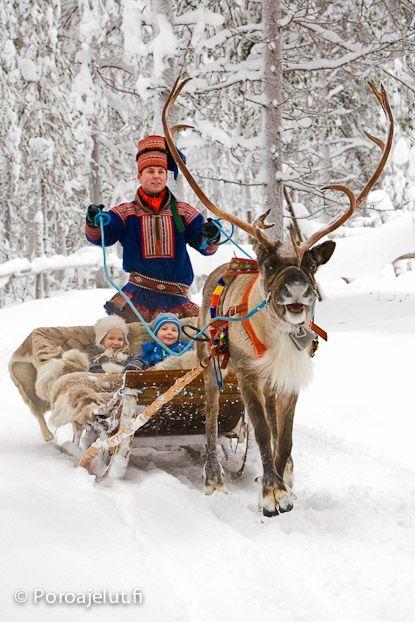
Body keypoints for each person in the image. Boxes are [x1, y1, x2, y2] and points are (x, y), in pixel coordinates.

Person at [85, 134, 221, 323]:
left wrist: (212, 237)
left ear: (166, 175)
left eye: (160, 171)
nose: (156, 175)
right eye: (150, 171)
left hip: (177, 298)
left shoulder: (184, 212)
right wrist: (93, 223)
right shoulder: (125, 213)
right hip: (137, 298)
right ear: (140, 176)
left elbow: (206, 247)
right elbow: (102, 237)